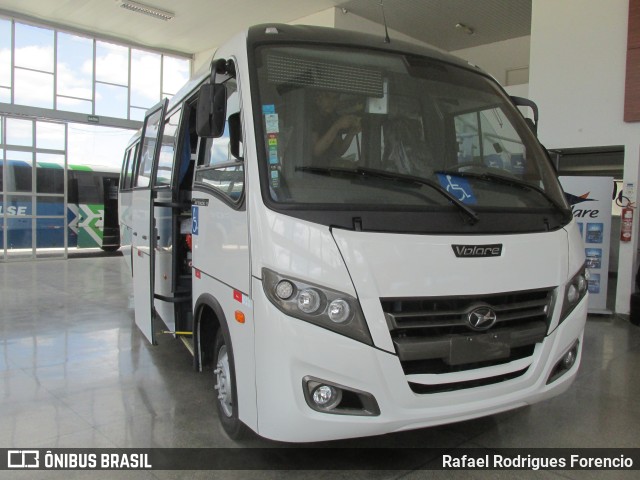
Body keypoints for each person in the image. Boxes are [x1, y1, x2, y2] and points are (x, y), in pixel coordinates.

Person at [311, 90, 361, 164]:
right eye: (328, 96)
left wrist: (351, 133)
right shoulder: (311, 115)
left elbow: (339, 150)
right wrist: (337, 126)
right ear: (318, 97)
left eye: (336, 98)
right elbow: (316, 151)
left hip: (327, 168)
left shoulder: (333, 117)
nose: (332, 101)